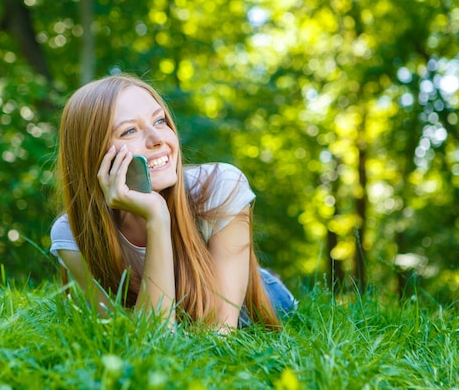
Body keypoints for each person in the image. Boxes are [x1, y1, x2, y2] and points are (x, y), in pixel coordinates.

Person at [49, 74, 296, 332]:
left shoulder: (221, 185)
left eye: (160, 120)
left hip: (254, 297)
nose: (158, 138)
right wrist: (157, 217)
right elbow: (143, 340)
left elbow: (218, 335)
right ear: (93, 154)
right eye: (129, 130)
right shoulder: (72, 234)